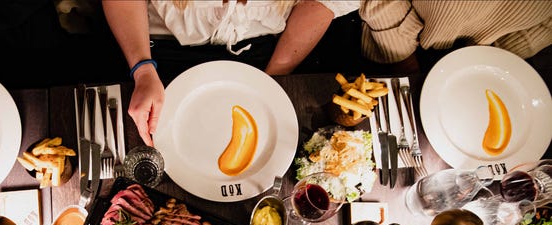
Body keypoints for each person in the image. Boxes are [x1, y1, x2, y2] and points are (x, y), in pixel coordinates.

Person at [102, 0, 359, 146]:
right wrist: (142, 69)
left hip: (267, 51)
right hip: (156, 50)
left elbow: (322, 2)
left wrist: (272, 80)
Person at [359, 0, 552, 74]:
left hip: (482, 58)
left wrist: (491, 60)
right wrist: (402, 58)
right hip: (392, 42)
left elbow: (546, 25)